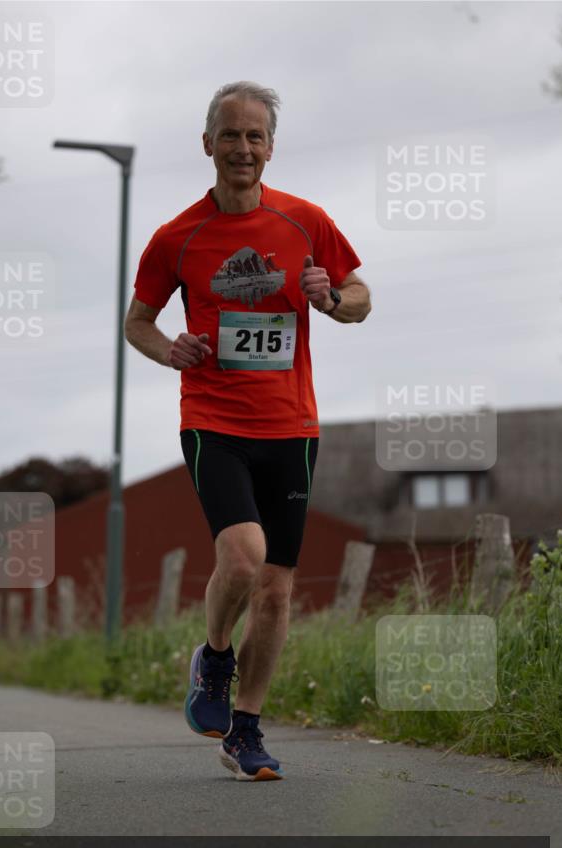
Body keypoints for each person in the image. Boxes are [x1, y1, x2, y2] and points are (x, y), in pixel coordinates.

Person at [125, 82, 371, 781]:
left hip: (290, 425)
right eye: (229, 135)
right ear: (208, 145)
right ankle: (213, 657)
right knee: (242, 559)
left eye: (254, 136)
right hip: (213, 420)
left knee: (277, 590)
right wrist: (167, 346)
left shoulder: (305, 221)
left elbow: (360, 296)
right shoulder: (177, 237)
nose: (242, 148)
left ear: (270, 147)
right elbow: (136, 323)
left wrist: (332, 301)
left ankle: (247, 731)